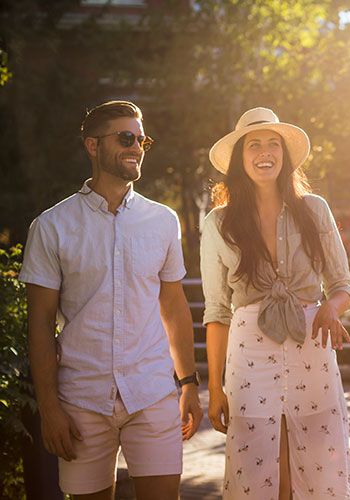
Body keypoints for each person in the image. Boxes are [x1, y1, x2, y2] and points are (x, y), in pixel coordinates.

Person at [20, 100, 203, 500]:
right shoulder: (52, 226)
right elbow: (40, 323)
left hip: (152, 393)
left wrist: (188, 383)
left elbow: (173, 308)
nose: (136, 147)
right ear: (92, 145)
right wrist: (49, 409)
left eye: (142, 140)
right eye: (125, 138)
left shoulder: (163, 221)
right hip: (80, 402)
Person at [201, 107, 350, 499]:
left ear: (285, 155)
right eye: (254, 145)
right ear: (240, 157)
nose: (265, 152)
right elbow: (217, 312)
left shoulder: (314, 209)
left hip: (311, 347)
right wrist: (215, 389)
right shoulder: (218, 223)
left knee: (320, 456)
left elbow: (343, 286)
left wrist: (330, 307)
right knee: (256, 465)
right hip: (248, 353)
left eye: (274, 144)